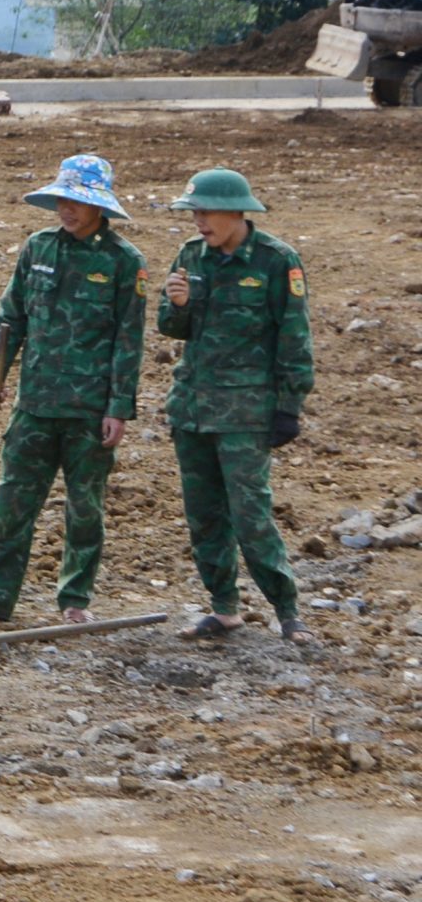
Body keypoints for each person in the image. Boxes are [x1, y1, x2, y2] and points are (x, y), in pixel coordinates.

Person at [0, 154, 148, 624]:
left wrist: (119, 408)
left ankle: (75, 599)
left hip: (89, 412)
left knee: (84, 508)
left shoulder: (123, 263)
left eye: (76, 201)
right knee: (12, 504)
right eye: (62, 200)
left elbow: (128, 342)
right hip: (35, 405)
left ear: (99, 208)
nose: (66, 209)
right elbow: (11, 318)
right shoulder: (38, 249)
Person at [158, 168, 317, 644]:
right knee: (204, 514)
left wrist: (290, 405)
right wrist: (178, 305)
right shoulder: (191, 255)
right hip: (193, 408)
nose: (199, 221)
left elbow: (295, 336)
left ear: (235, 211)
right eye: (195, 212)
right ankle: (223, 608)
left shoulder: (275, 260)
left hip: (246, 412)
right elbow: (171, 327)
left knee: (250, 514)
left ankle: (287, 610)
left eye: (206, 212)